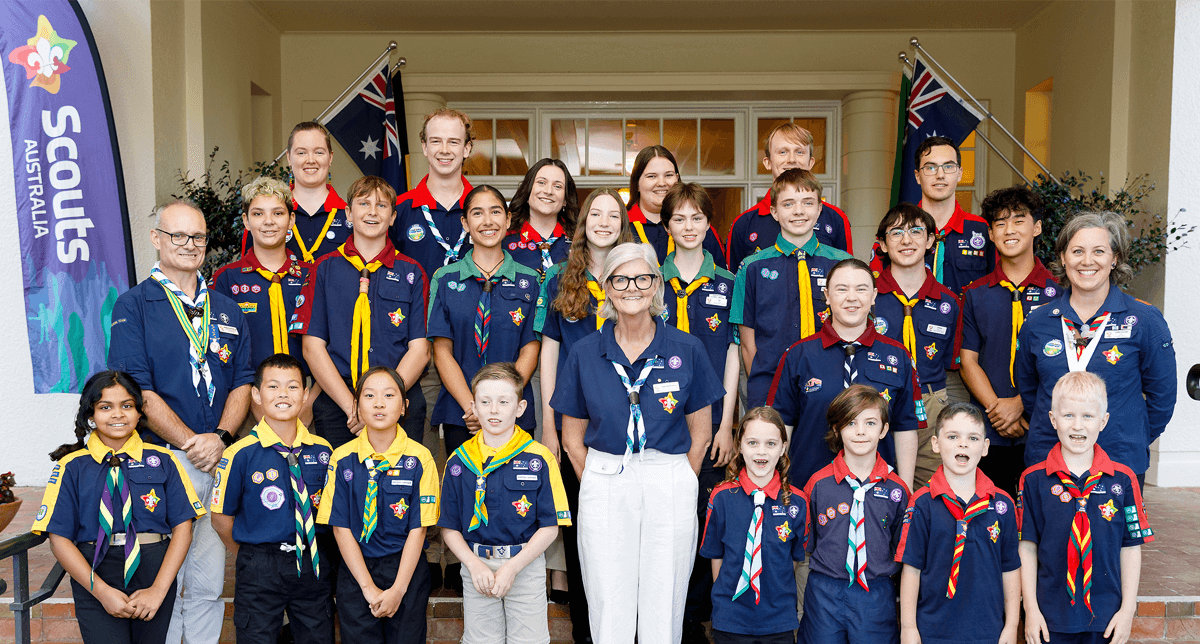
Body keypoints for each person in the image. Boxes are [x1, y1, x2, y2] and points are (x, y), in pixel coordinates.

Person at [552, 242, 725, 644]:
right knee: (607, 597)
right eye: (621, 279)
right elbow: (572, 438)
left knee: (664, 598)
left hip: (668, 474)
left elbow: (701, 432)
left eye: (642, 278)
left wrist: (680, 476)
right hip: (606, 474)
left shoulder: (688, 348)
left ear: (656, 285)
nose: (632, 287)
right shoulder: (585, 352)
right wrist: (599, 479)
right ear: (607, 288)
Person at [108, 199, 253, 644]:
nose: (190, 245)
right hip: (165, 462)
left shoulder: (226, 309)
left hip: (218, 459)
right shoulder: (134, 305)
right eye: (179, 235)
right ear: (156, 239)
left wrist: (221, 438)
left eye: (198, 237)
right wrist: (194, 443)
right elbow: (137, 392)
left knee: (209, 578)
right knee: (164, 575)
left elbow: (243, 381)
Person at [33, 371, 203, 644]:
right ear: (90, 415)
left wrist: (159, 590)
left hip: (153, 568)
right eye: (105, 407)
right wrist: (101, 591)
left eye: (127, 405)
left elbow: (183, 528)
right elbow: (59, 539)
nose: (117, 414)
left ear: (139, 412)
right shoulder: (71, 467)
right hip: (94, 572)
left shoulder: (164, 460)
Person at [428, 185, 542, 590]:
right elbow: (441, 350)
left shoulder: (530, 280)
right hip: (462, 411)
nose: (487, 220)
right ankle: (467, 574)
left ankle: (513, 572)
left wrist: (504, 403)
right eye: (477, 213)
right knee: (462, 492)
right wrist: (472, 406)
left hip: (513, 413)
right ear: (465, 223)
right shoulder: (445, 278)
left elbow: (531, 345)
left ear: (508, 220)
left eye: (496, 212)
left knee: (513, 494)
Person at [534, 187, 632, 641]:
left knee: (625, 532)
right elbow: (549, 355)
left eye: (613, 215)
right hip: (574, 425)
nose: (604, 222)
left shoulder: (636, 274)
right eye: (596, 214)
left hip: (625, 424)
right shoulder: (560, 278)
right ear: (583, 222)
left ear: (623, 224)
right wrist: (549, 425)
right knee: (580, 533)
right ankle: (585, 632)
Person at [1015, 211, 1176, 480]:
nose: (1087, 261)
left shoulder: (1145, 320)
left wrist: (1130, 435)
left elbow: (1163, 396)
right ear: (1063, 257)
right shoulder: (1038, 322)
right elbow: (1030, 392)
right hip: (1048, 460)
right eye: (1077, 251)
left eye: (1099, 251)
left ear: (1115, 259)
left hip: (1119, 461)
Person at [293, 175, 430, 450]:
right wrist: (353, 407)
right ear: (348, 214)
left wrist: (386, 400)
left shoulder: (412, 272)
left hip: (399, 399)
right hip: (339, 401)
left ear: (393, 217)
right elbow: (312, 347)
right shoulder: (324, 269)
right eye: (364, 204)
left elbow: (421, 349)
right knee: (338, 476)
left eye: (381, 206)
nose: (372, 212)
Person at [658, 182, 740, 643]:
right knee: (665, 521)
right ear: (666, 225)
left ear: (710, 224)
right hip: (661, 422)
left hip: (711, 421)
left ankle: (693, 619)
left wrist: (726, 425)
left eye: (697, 218)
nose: (688, 227)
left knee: (704, 518)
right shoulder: (650, 281)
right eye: (679, 219)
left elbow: (732, 354)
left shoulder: (728, 282)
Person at [439, 363, 571, 644]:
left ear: (520, 407)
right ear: (473, 407)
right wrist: (473, 565)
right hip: (476, 567)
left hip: (525, 565)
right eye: (485, 402)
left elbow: (551, 526)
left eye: (503, 402)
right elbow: (449, 527)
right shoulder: (458, 462)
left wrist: (512, 567)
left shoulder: (540, 458)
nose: (494, 410)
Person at [1018, 371, 1153, 644]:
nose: (1077, 426)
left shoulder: (1124, 480)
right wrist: (1030, 609)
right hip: (1049, 616)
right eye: (1068, 415)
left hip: (1106, 617)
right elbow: (1027, 547)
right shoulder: (1032, 480)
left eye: (1088, 416)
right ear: (1053, 419)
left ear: (1103, 421)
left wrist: (1127, 611)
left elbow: (1130, 548)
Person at [768, 258, 923, 491]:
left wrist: (906, 489)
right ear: (827, 296)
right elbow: (781, 426)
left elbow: (905, 427)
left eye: (861, 289)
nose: (852, 297)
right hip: (807, 487)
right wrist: (778, 486)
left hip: (878, 492)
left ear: (873, 296)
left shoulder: (898, 355)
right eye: (842, 289)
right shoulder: (799, 355)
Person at [210, 354, 334, 644]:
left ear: (305, 395)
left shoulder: (323, 451)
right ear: (256, 394)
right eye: (273, 386)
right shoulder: (239, 454)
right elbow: (220, 519)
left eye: (292, 387)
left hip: (312, 561)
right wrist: (251, 557)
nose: (283, 394)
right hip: (260, 565)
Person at [317, 366, 440, 644]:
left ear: (404, 406)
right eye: (369, 396)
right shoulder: (341, 458)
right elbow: (340, 527)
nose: (379, 403)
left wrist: (398, 590)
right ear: (357, 406)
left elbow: (419, 529)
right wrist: (367, 588)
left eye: (389, 395)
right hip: (356, 569)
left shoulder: (420, 459)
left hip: (405, 569)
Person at [960, 186, 1058, 497]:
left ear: (1037, 227)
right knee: (991, 512)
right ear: (990, 234)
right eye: (1000, 224)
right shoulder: (976, 293)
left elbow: (1066, 364)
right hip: (990, 429)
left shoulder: (1060, 293)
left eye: (1018, 221)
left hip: (1043, 427)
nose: (1009, 230)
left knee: (1042, 511)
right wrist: (998, 411)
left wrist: (1020, 406)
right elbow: (968, 361)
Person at [895, 403, 1021, 644]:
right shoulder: (922, 503)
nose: (963, 444)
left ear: (985, 447)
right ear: (935, 443)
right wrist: (909, 628)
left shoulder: (1002, 504)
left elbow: (1011, 568)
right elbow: (911, 569)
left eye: (973, 438)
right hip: (933, 632)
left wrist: (1012, 624)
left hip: (989, 632)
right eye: (953, 437)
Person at [732, 168, 853, 408]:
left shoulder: (842, 264)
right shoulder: (751, 267)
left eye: (808, 203)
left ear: (819, 209)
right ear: (774, 212)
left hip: (833, 386)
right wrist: (763, 388)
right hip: (771, 385)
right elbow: (747, 342)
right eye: (788, 204)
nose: (799, 211)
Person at [800, 385, 909, 644]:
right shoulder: (817, 485)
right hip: (825, 590)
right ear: (836, 429)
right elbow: (809, 543)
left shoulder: (897, 490)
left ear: (884, 429)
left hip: (875, 592)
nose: (860, 431)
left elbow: (900, 546)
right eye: (851, 422)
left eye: (870, 423)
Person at [699, 407, 808, 644]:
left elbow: (794, 558)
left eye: (771, 444)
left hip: (778, 619)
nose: (761, 451)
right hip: (730, 619)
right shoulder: (721, 497)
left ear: (783, 448)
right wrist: (724, 605)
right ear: (739, 446)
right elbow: (716, 555)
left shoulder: (798, 502)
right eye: (752, 443)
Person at [214, 176, 317, 426]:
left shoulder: (312, 276)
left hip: (307, 399)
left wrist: (310, 403)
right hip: (247, 398)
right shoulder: (226, 279)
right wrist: (250, 403)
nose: (268, 221)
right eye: (258, 214)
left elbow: (330, 345)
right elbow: (221, 351)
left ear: (291, 220)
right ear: (246, 221)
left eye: (278, 213)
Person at [872, 203, 961, 490]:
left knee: (931, 490)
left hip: (930, 404)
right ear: (882, 244)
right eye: (896, 233)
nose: (906, 240)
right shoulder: (867, 296)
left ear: (931, 240)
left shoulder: (948, 303)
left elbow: (951, 367)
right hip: (876, 402)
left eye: (915, 231)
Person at [870, 136, 993, 296]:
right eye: (930, 168)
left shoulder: (982, 229)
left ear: (960, 173)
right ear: (917, 176)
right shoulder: (895, 230)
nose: (940, 175)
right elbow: (874, 291)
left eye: (948, 166)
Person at [726, 122, 853, 271]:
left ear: (811, 162)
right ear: (768, 162)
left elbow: (848, 275)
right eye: (782, 152)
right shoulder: (743, 224)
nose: (792, 159)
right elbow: (735, 281)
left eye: (799, 152)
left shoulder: (836, 218)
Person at [625, 146, 727, 269]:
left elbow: (720, 276)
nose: (661, 183)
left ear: (677, 179)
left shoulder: (700, 229)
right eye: (652, 176)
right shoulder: (621, 225)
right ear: (636, 183)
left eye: (668, 175)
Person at [284, 122, 350, 264]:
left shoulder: (351, 216)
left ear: (330, 158)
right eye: (301, 153)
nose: (310, 160)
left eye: (319, 152)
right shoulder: (270, 214)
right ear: (289, 158)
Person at [503, 158, 579, 278]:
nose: (548, 191)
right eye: (541, 183)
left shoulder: (579, 241)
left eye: (557, 186)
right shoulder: (503, 238)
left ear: (565, 199)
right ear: (528, 190)